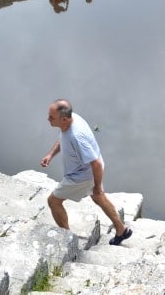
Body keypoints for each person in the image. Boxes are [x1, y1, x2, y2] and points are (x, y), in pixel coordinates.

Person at [40, 100, 132, 245]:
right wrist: (50, 155)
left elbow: (96, 163)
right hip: (88, 172)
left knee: (53, 201)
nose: (48, 119)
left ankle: (68, 239)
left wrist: (96, 185)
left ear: (63, 119)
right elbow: (63, 137)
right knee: (99, 197)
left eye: (51, 117)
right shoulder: (72, 118)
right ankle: (122, 230)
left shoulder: (77, 137)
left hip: (80, 176)